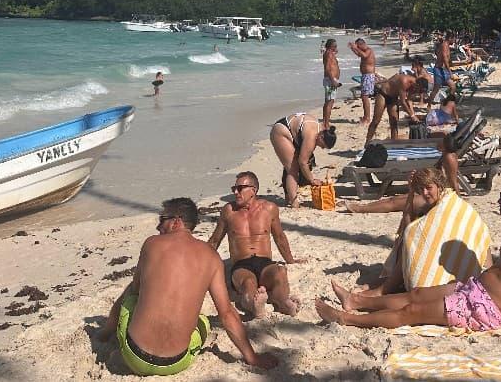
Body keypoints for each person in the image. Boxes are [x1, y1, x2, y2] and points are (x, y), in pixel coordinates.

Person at [315, 178, 501, 337]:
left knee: (412, 311)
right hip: (477, 290)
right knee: (416, 294)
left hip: (485, 308)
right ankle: (355, 301)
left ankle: (346, 318)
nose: (499, 202)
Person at [100, 197, 276, 374]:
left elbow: (136, 290)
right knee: (203, 322)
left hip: (134, 357)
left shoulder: (151, 244)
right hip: (175, 363)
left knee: (130, 294)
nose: (158, 227)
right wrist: (253, 358)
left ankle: (105, 333)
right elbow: (227, 314)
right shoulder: (212, 258)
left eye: (162, 220)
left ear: (176, 222)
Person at [209, 170, 302, 318]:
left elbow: (279, 237)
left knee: (280, 272)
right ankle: (255, 306)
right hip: (241, 265)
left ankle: (283, 303)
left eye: (240, 188)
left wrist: (290, 260)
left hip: (265, 263)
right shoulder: (229, 211)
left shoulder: (269, 209)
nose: (236, 192)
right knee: (248, 282)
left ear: (253, 190)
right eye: (234, 189)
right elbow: (215, 240)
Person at [269, 113, 337, 208]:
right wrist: (312, 180)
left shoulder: (320, 130)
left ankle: (288, 197)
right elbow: (302, 162)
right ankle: (294, 203)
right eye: (322, 145)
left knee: (295, 164)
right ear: (321, 137)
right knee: (293, 169)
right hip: (281, 132)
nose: (321, 148)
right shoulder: (312, 136)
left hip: (291, 130)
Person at [365, 69, 425, 144]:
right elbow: (403, 102)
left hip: (393, 98)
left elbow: (409, 101)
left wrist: (413, 115)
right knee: (376, 120)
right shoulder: (404, 81)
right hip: (383, 94)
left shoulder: (413, 86)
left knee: (394, 122)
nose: (418, 92)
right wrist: (412, 115)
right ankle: (367, 142)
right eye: (419, 90)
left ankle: (394, 144)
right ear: (417, 84)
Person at [348, 37, 377, 125]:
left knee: (365, 97)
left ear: (362, 44)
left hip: (368, 76)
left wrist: (355, 48)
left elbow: (364, 55)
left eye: (358, 46)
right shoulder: (364, 51)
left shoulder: (368, 50)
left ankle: (367, 118)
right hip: (366, 76)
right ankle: (366, 117)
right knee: (364, 97)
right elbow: (359, 54)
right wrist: (352, 48)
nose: (358, 48)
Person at [427, 34, 452, 109]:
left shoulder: (446, 45)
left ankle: (447, 104)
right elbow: (444, 58)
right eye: (453, 39)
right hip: (439, 70)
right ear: (450, 38)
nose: (454, 41)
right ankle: (429, 105)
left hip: (443, 70)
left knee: (453, 86)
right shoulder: (444, 46)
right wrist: (449, 71)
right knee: (435, 89)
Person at [322, 39, 341, 129]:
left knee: (328, 101)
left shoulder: (329, 53)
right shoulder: (329, 54)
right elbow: (328, 68)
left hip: (331, 80)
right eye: (335, 46)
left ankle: (325, 122)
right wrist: (333, 81)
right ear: (330, 46)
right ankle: (326, 124)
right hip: (330, 80)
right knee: (330, 102)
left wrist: (334, 52)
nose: (336, 47)